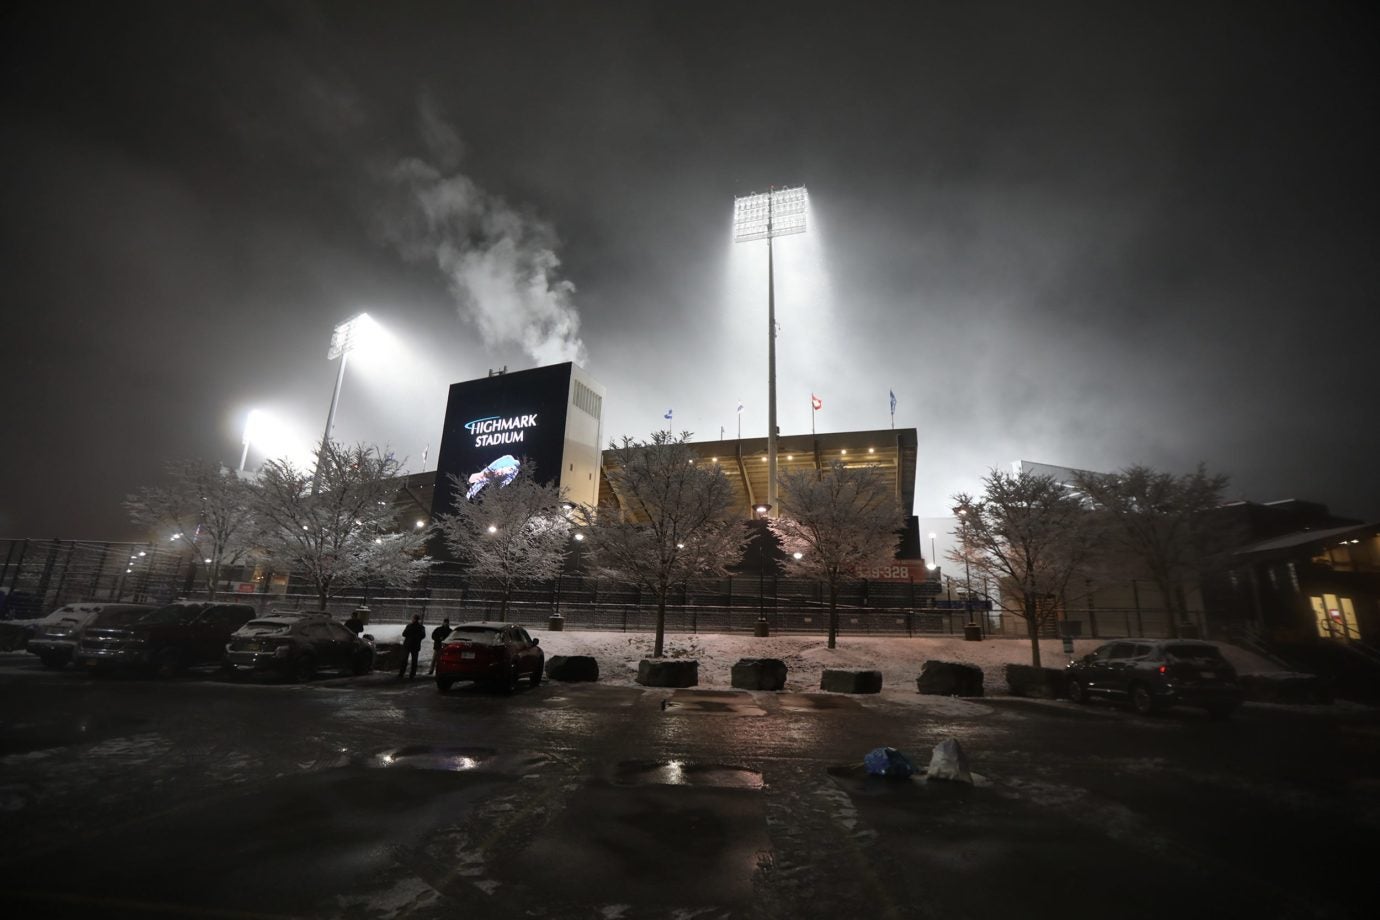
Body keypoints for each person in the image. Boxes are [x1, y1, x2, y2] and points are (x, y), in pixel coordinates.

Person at [400, 614, 426, 679]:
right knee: (414, 660)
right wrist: (417, 638)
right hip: (415, 645)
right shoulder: (421, 627)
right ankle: (412, 674)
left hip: (408, 645)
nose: (412, 619)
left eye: (413, 618)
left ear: (414, 619)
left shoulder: (409, 626)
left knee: (404, 660)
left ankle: (401, 673)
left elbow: (404, 634)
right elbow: (423, 636)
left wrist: (410, 635)